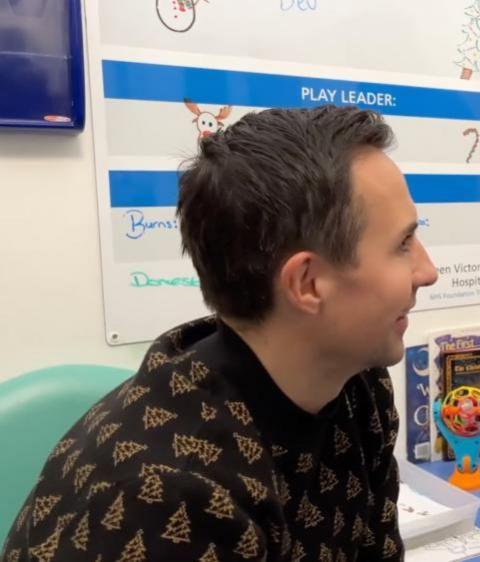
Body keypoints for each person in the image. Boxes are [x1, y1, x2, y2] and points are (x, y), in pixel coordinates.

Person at [0, 106, 438, 561]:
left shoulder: (356, 387)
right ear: (307, 284)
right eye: (402, 245)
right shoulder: (165, 499)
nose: (427, 271)